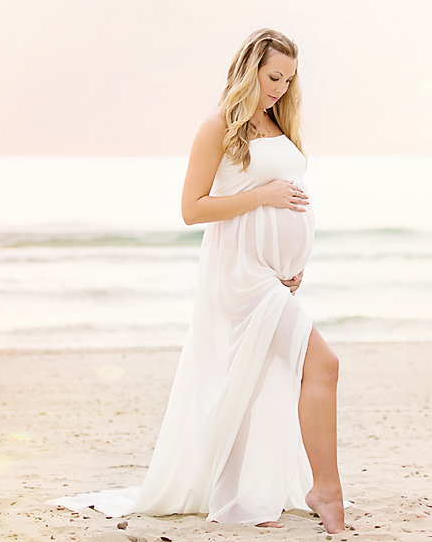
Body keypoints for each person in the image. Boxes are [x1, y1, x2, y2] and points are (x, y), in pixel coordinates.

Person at [47, 28, 346, 534]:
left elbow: (289, 197)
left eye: (289, 79)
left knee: (253, 384)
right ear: (249, 68)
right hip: (238, 276)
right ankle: (326, 489)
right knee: (323, 364)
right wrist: (265, 197)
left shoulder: (276, 122)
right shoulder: (216, 128)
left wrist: (294, 261)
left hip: (270, 276)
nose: (280, 87)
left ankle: (255, 491)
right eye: (273, 76)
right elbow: (193, 209)